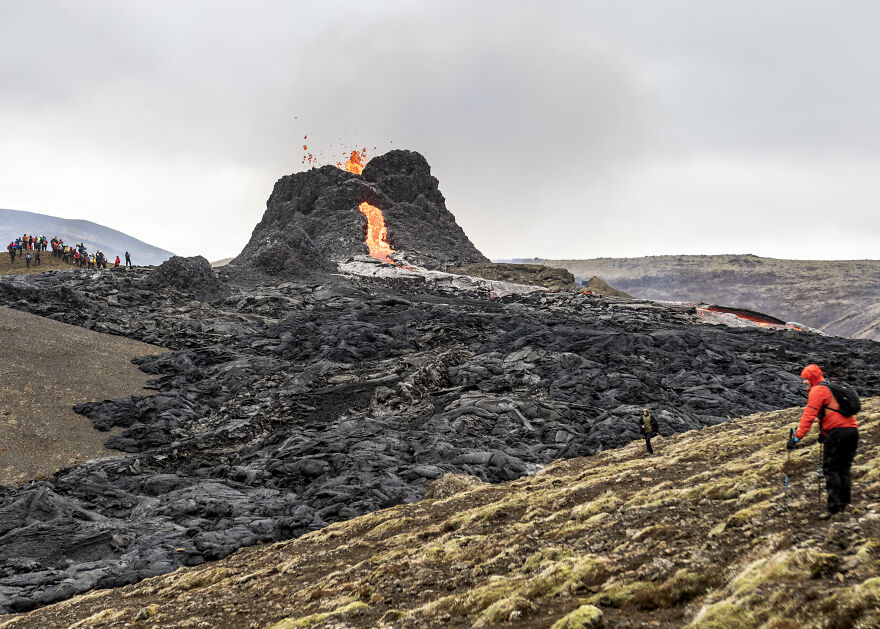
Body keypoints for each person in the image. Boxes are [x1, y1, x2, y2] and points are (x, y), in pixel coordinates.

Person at [787, 364, 859, 518]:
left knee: (831, 469)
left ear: (812, 378)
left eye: (806, 379)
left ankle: (834, 508)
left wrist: (796, 438)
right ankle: (844, 504)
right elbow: (832, 412)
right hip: (852, 431)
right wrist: (824, 433)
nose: (803, 382)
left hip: (837, 433)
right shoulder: (830, 386)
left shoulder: (818, 391)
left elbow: (808, 416)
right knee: (843, 468)